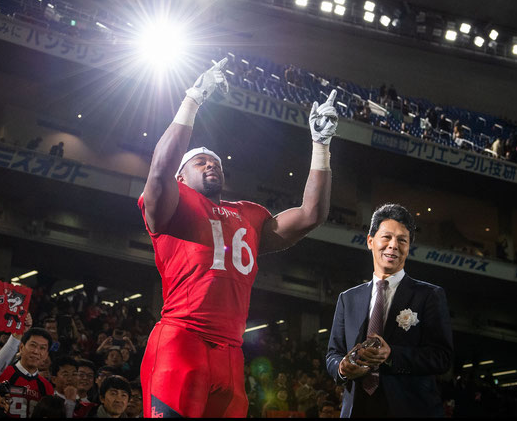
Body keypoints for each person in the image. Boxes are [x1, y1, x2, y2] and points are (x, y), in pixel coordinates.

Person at [137, 58, 337, 417]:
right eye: (200, 162)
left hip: (231, 352)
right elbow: (159, 171)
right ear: (181, 178)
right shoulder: (173, 202)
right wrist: (193, 100)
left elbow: (311, 215)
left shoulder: (249, 213)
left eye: (216, 163)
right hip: (182, 338)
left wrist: (320, 145)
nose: (211, 164)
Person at [326, 204, 453, 417]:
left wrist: (392, 355)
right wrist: (342, 367)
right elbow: (332, 354)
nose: (393, 245)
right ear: (370, 241)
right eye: (386, 237)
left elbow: (442, 358)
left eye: (402, 240)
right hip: (357, 409)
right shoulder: (348, 298)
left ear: (409, 246)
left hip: (411, 409)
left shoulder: (429, 295)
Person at [0, 327, 55, 418]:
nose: (36, 351)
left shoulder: (47, 387)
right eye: (33, 345)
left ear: (46, 355)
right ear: (21, 347)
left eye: (42, 348)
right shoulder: (0, 374)